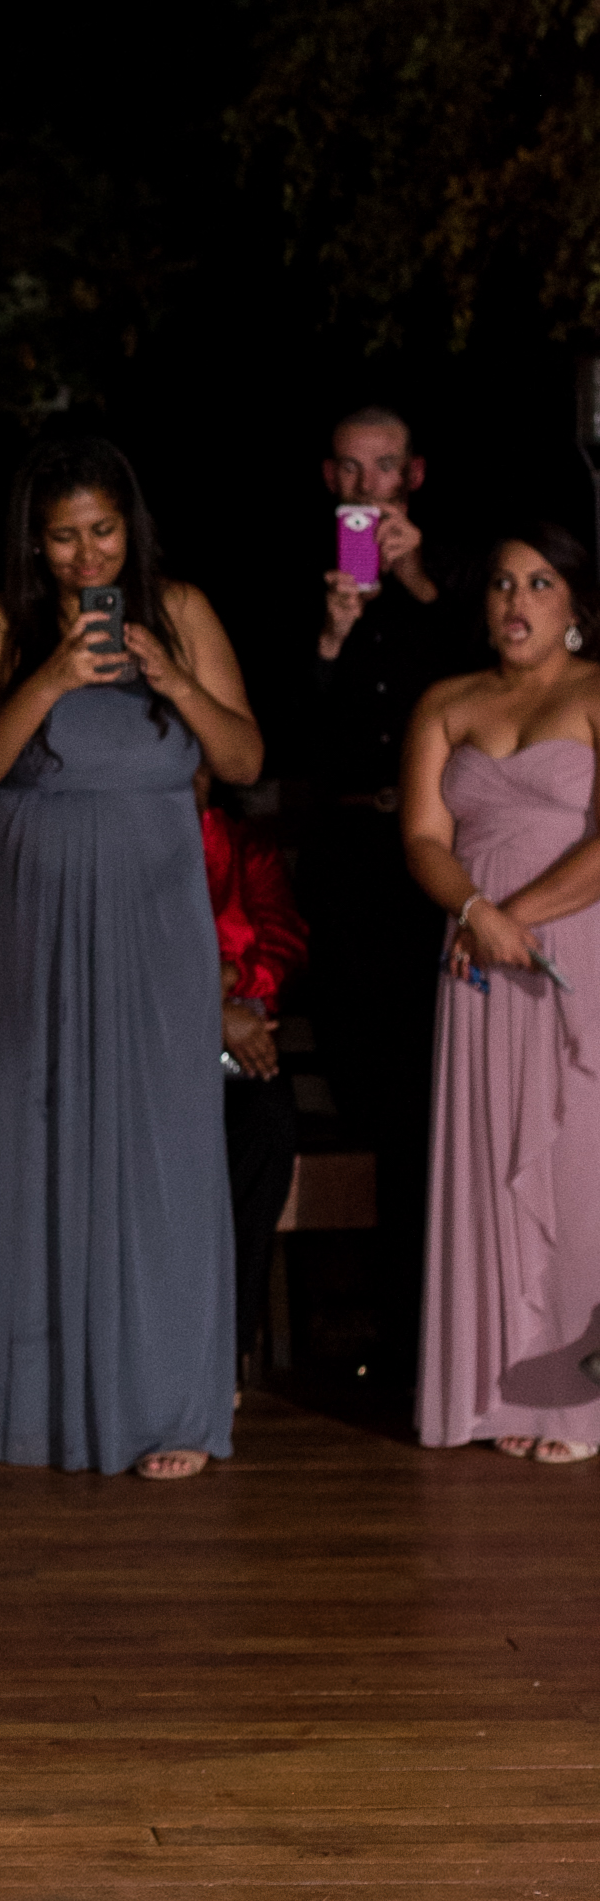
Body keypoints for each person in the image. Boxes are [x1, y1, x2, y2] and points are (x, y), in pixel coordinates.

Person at [0, 434, 258, 1482]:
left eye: (102, 531)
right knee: (30, 1138)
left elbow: (245, 758)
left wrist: (166, 670)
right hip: (25, 911)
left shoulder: (183, 610)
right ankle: (29, 1404)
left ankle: (170, 1399)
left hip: (157, 914)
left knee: (162, 1146)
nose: (86, 555)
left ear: (132, 526)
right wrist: (48, 677)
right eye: (64, 534)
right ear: (34, 537)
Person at [402, 524, 600, 1460]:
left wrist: (511, 913)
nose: (515, 600)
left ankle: (574, 1398)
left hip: (572, 947)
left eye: (539, 582)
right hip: (476, 961)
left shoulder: (598, 690)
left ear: (574, 604)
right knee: (489, 1165)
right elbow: (421, 840)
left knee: (577, 1171)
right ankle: (503, 1398)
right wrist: (478, 914)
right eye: (499, 584)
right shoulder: (446, 702)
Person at [304, 404, 453, 1257]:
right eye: (350, 471)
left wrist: (423, 579)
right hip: (352, 865)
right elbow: (277, 744)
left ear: (414, 475)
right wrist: (329, 641)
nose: (366, 487)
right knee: (365, 1088)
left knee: (436, 1094)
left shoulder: (458, 582)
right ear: (330, 479)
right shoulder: (310, 583)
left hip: (438, 869)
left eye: (383, 468)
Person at [199, 767, 307, 1389]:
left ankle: (226, 1351)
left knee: (264, 1128)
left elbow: (284, 941)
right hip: (140, 1048)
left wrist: (233, 987)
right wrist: (205, 1010)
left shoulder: (244, 846)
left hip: (237, 1050)